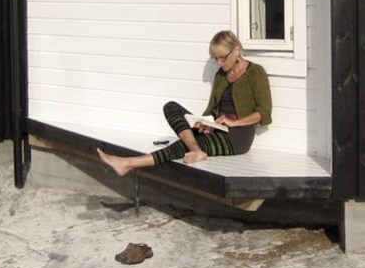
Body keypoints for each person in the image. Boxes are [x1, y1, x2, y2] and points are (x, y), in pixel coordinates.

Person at [97, 30, 271, 175]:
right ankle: (195, 150)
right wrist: (205, 123)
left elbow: (264, 113)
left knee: (181, 145)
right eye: (214, 58)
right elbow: (212, 107)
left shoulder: (255, 72)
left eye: (222, 57)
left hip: (237, 137)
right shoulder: (220, 75)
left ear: (236, 50)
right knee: (171, 107)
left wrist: (234, 121)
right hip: (218, 127)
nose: (219, 62)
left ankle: (128, 163)